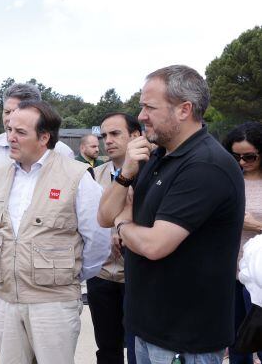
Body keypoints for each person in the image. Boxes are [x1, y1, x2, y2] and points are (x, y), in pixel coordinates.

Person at [98, 65, 245, 364]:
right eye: (142, 107)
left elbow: (154, 245)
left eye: (150, 107)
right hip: (146, 328)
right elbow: (103, 216)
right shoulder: (155, 156)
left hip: (186, 339)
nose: (141, 116)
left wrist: (124, 224)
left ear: (184, 110)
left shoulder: (206, 165)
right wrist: (125, 174)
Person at [0, 100, 110, 364]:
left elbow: (99, 240)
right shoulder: (0, 175)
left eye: (20, 132)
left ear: (44, 137)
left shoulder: (76, 176)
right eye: (10, 129)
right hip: (5, 299)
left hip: (53, 303)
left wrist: (67, 275)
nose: (10, 138)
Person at [0, 83, 75, 363]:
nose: (9, 120)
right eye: (6, 112)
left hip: (44, 253)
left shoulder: (61, 152)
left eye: (17, 113)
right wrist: (1, 232)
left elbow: (86, 223)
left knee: (40, 329)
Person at [88, 112, 141, 364]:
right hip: (101, 274)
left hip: (137, 277)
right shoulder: (92, 176)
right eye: (103, 135)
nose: (107, 140)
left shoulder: (152, 174)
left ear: (135, 135)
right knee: (107, 348)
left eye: (115, 133)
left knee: (137, 347)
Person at [223, 121, 262, 364]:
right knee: (236, 343)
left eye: (249, 157)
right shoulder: (226, 177)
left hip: (259, 277)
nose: (242, 163)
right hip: (229, 271)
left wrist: (256, 226)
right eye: (235, 156)